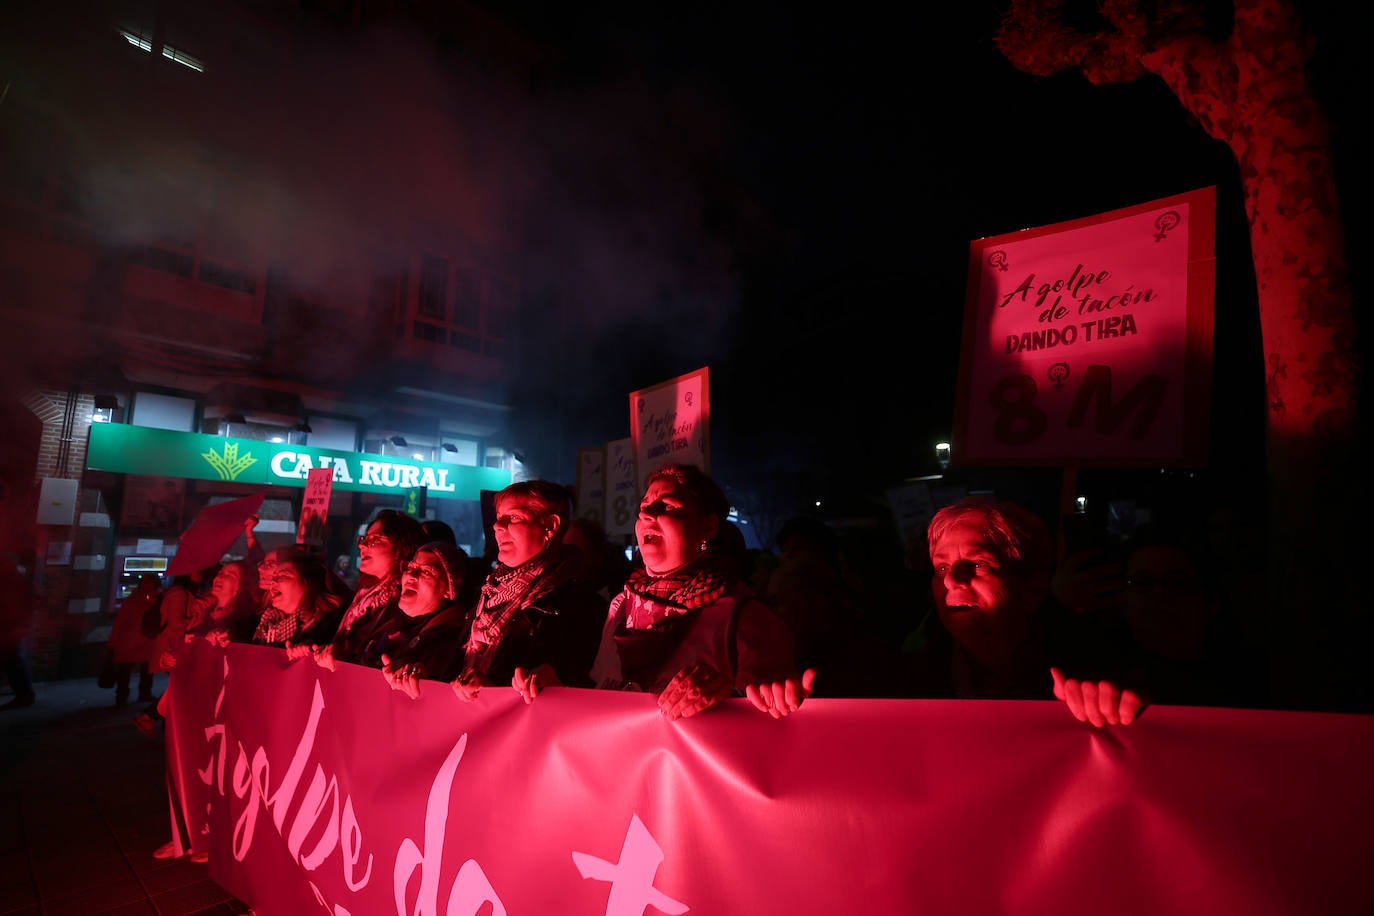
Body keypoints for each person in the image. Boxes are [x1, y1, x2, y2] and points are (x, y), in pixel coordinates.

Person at [518, 463, 815, 721]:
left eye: (667, 507)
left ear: (707, 528)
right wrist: (560, 689)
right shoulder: (622, 605)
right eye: (643, 506)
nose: (647, 513)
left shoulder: (744, 617)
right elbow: (605, 696)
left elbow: (772, 720)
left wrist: (732, 697)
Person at [901, 495, 1092, 701]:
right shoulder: (902, 678)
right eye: (942, 567)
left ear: (1032, 590)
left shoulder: (1085, 672)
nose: (950, 580)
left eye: (977, 564)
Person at [449, 480, 608, 701]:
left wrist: (497, 693)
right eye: (498, 518)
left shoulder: (583, 608)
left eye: (514, 517)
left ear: (550, 527)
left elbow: (582, 693)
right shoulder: (487, 594)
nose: (497, 526)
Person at [291, 508, 424, 671]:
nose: (362, 545)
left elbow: (379, 658)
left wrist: (341, 655)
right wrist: (315, 648)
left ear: (403, 548)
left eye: (374, 539)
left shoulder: (403, 602)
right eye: (364, 539)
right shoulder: (364, 596)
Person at [377, 541, 473, 699]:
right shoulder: (392, 621)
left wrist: (422, 680)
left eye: (427, 572)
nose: (411, 576)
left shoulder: (449, 644)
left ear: (449, 590)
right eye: (410, 567)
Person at [108, 573, 161, 708]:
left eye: (148, 582)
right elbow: (122, 621)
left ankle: (130, 696)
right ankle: (125, 696)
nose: (146, 584)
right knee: (129, 670)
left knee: (140, 669)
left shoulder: (134, 599)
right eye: (144, 582)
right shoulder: (141, 599)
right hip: (136, 640)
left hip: (138, 640)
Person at [0, 552, 37, 710]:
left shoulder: (11, 581)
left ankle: (24, 695)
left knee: (13, 661)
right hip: (12, 627)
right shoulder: (16, 578)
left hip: (10, 627)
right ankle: (24, 695)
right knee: (13, 661)